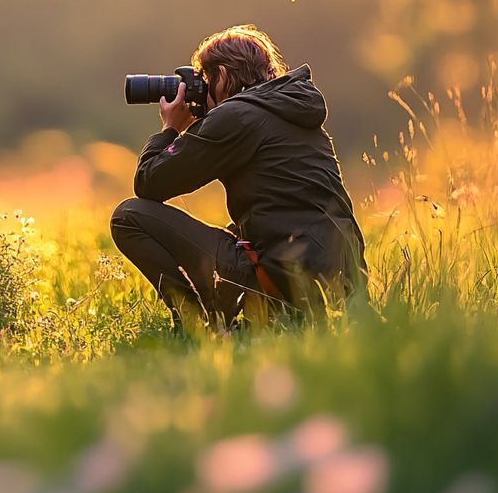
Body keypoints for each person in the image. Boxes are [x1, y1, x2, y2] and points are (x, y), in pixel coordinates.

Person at [110, 25, 365, 327]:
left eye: (205, 78)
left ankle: (200, 324)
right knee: (236, 229)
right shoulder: (292, 108)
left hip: (287, 286)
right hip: (341, 289)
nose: (201, 88)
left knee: (128, 216)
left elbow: (149, 183)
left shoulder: (238, 116)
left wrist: (170, 128)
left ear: (224, 74)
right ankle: (263, 315)